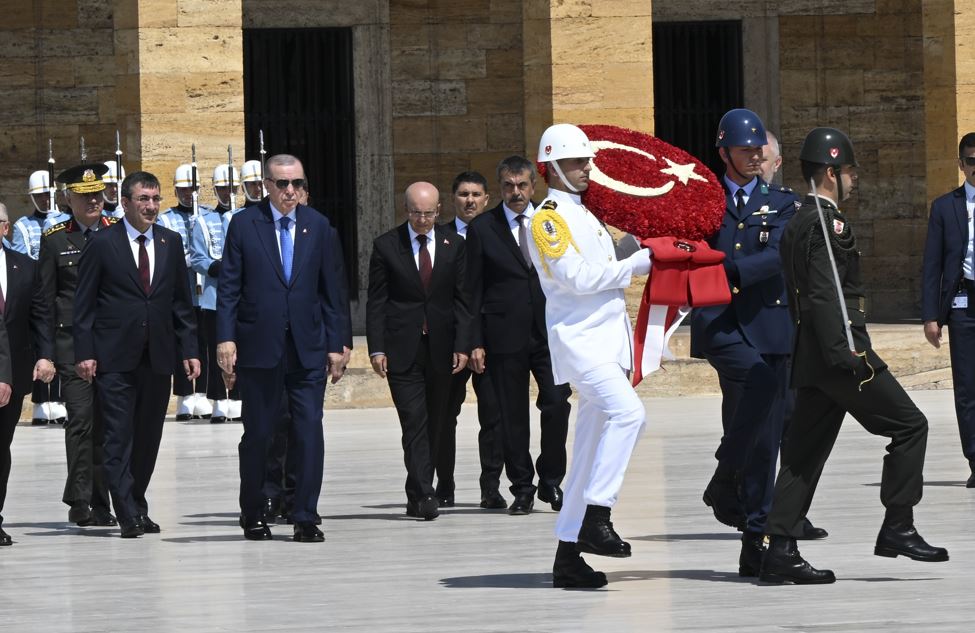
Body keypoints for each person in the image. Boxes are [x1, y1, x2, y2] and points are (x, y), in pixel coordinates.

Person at [760, 127, 948, 584]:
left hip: (815, 356)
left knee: (803, 454)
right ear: (830, 173)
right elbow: (829, 295)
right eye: (849, 170)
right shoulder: (826, 222)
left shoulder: (799, 219)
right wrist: (850, 352)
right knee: (910, 426)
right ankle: (898, 526)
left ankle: (779, 548)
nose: (855, 178)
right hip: (840, 354)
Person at [528, 123, 651, 589]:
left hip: (605, 343)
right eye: (577, 162)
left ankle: (567, 557)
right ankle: (598, 515)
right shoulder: (548, 219)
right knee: (630, 415)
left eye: (587, 160)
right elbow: (576, 278)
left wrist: (636, 246)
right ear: (552, 167)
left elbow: (600, 266)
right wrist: (631, 266)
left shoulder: (586, 213)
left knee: (586, 452)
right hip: (580, 343)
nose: (587, 169)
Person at [690, 109, 804, 576]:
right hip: (721, 326)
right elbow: (685, 245)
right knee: (753, 409)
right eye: (744, 150)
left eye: (759, 150)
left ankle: (752, 536)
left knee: (763, 437)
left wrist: (727, 272)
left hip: (770, 327)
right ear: (724, 153)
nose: (755, 157)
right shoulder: (701, 201)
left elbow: (780, 253)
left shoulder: (783, 202)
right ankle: (725, 484)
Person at [216, 154, 351, 542]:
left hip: (307, 349)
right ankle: (254, 511)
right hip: (260, 347)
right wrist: (226, 338)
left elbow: (333, 292)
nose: (289, 190)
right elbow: (229, 287)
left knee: (309, 431)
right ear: (267, 186)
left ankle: (304, 514)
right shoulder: (244, 225)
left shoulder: (319, 226)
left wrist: (337, 343)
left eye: (296, 183)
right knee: (259, 434)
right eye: (281, 183)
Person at [73, 170, 200, 539]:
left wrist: (190, 350)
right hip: (114, 358)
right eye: (143, 199)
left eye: (156, 199)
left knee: (148, 436)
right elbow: (84, 306)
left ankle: (137, 502)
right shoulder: (102, 243)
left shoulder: (170, 242)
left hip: (158, 356)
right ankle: (126, 511)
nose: (151, 206)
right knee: (117, 436)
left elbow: (181, 303)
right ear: (125, 203)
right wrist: (85, 352)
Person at [466, 156, 571, 515]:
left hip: (550, 332)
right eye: (509, 186)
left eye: (522, 185)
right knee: (512, 416)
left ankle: (551, 479)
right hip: (502, 334)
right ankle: (522, 488)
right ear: (500, 188)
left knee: (557, 404)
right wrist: (474, 340)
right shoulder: (483, 228)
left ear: (533, 186)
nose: (515, 192)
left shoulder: (551, 221)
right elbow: (471, 290)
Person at [366, 182, 470, 520]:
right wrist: (377, 348)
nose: (422, 220)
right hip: (402, 349)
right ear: (405, 210)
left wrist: (463, 345)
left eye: (428, 213)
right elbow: (377, 301)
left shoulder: (454, 245)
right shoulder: (386, 246)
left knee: (437, 422)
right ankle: (425, 493)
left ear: (438, 211)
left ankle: (417, 489)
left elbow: (463, 301)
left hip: (442, 349)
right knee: (414, 422)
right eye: (415, 213)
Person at [39, 163, 117, 527]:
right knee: (82, 422)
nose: (94, 202)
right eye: (85, 197)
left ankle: (103, 501)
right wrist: (46, 352)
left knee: (108, 426)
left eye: (98, 195)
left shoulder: (116, 233)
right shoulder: (55, 239)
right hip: (71, 344)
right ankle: (81, 499)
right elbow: (45, 300)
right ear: (68, 198)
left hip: (112, 345)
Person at [437, 171, 505, 509]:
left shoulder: (498, 234)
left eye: (476, 194)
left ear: (486, 199)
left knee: (493, 416)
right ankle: (444, 484)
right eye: (463, 194)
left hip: (490, 342)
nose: (470, 200)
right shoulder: (441, 237)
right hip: (451, 343)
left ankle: (490, 487)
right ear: (453, 199)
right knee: (445, 415)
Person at [921, 132, 975, 486]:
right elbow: (932, 264)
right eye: (972, 160)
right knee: (967, 387)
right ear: (961, 164)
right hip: (963, 303)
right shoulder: (945, 207)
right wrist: (931, 316)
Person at [0, 203, 55, 546]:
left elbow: (40, 317)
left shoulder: (26, 267)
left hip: (14, 372)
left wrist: (46, 355)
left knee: (0, 447)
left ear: (4, 228)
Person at [11, 170, 68, 426]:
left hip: (59, 292)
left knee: (59, 345)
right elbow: (22, 261)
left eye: (48, 194)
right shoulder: (23, 225)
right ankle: (40, 401)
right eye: (40, 195)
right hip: (37, 294)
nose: (45, 200)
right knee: (38, 346)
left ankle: (57, 398)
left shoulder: (65, 220)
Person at [159, 164, 212, 421]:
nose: (188, 193)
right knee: (182, 341)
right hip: (180, 291)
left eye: (192, 188)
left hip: (205, 292)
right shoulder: (165, 218)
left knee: (204, 341)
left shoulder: (207, 216)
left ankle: (202, 393)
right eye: (183, 189)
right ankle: (183, 395)